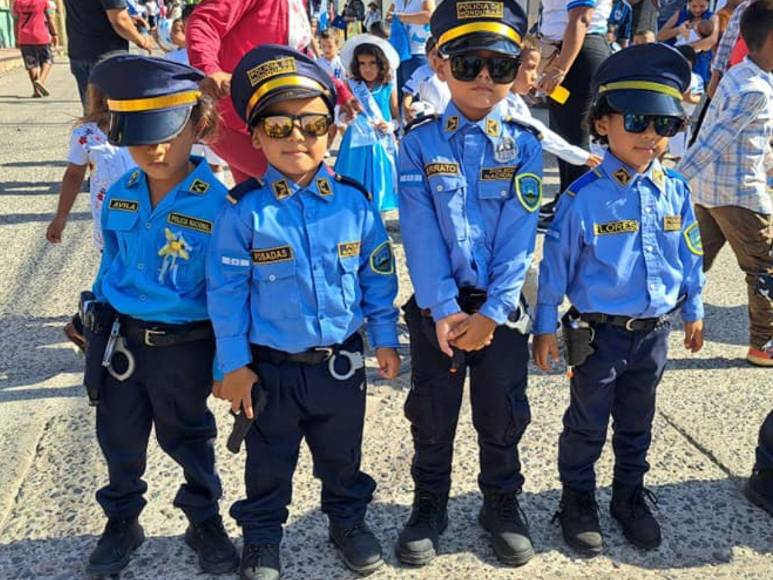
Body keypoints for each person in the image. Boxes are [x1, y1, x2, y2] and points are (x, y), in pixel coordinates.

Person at [207, 45, 401, 580]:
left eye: (313, 123)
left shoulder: (354, 203)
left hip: (339, 365)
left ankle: (348, 522)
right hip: (270, 369)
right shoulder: (243, 211)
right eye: (279, 125)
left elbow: (376, 277)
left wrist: (385, 338)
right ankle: (263, 537)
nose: (297, 137)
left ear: (331, 131)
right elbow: (225, 294)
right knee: (268, 462)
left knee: (342, 457)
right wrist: (233, 364)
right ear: (256, 135)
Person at [533, 43, 705, 556]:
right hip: (600, 336)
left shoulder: (674, 189)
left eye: (664, 124)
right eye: (637, 120)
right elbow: (556, 267)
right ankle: (578, 499)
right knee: (586, 423)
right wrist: (544, 326)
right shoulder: (582, 196)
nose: (651, 136)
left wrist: (693, 309)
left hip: (653, 334)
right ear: (602, 123)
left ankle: (629, 497)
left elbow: (689, 252)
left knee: (637, 422)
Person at [397, 0, 542, 567]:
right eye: (468, 63)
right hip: (440, 310)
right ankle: (428, 503)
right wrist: (442, 309)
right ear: (439, 63)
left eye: (500, 66)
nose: (484, 77)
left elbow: (518, 236)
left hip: (499, 313)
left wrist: (495, 312)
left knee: (502, 413)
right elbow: (420, 232)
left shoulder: (526, 144)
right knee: (431, 414)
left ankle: (501, 503)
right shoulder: (418, 143)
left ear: (516, 69)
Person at [83, 54, 239, 577]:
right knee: (119, 439)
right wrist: (94, 307)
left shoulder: (219, 205)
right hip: (123, 346)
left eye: (166, 132)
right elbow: (111, 261)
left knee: (189, 437)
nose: (152, 148)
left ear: (198, 124)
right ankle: (122, 521)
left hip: (186, 348)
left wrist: (227, 364)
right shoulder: (119, 196)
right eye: (136, 133)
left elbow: (226, 292)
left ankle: (204, 519)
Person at [678, 0, 773, 366]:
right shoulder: (755, 90)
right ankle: (763, 344)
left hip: (710, 192)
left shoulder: (739, 75)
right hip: (740, 196)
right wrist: (674, 179)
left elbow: (756, 140)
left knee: (692, 261)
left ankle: (644, 313)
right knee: (764, 267)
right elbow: (714, 139)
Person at [186, 0, 357, 184]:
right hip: (236, 119)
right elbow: (204, 21)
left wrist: (340, 92)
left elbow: (297, 62)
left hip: (268, 119)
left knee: (260, 200)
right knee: (309, 185)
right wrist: (209, 68)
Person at [537, 0, 612, 220]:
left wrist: (560, 67)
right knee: (562, 134)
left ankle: (575, 211)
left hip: (577, 52)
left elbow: (581, 17)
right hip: (564, 51)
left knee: (575, 137)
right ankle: (566, 199)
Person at [507, 37, 602, 170]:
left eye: (537, 69)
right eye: (530, 68)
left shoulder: (513, 98)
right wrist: (581, 156)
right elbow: (537, 131)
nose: (535, 76)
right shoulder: (502, 104)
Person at [335, 35, 400, 214]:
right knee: (353, 184)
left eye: (372, 63)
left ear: (381, 64)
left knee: (379, 186)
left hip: (380, 144)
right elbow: (340, 113)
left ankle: (377, 223)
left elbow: (397, 117)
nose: (367, 68)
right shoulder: (351, 85)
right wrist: (345, 117)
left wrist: (390, 126)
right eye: (362, 63)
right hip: (355, 144)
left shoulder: (388, 86)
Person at [63, 0, 153, 108]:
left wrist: (128, 19)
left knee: (92, 112)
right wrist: (142, 40)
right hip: (106, 54)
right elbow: (119, 21)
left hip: (79, 51)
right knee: (110, 114)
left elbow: (90, 9)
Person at [657, 0, 720, 84]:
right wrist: (679, 30)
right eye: (694, 6)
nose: (697, 10)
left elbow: (711, 40)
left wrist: (685, 49)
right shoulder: (680, 14)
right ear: (688, 4)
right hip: (675, 60)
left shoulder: (713, 17)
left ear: (708, 4)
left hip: (698, 63)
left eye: (702, 6)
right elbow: (660, 36)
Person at [390, 0, 435, 97]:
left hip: (417, 52)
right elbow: (388, 15)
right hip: (399, 52)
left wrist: (401, 17)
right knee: (398, 95)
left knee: (415, 96)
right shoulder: (397, 1)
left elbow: (429, 16)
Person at [12, 0, 56, 98]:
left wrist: (16, 37)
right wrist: (54, 33)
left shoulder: (17, 2)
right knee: (47, 59)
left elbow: (15, 21)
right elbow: (50, 18)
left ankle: (36, 91)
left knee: (31, 63)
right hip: (41, 36)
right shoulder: (44, 1)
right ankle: (41, 80)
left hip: (24, 36)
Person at [668, 45, 704, 160]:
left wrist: (686, 97)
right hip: (667, 116)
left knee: (679, 154)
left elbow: (697, 98)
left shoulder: (696, 79)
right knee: (660, 148)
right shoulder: (670, 77)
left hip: (682, 120)